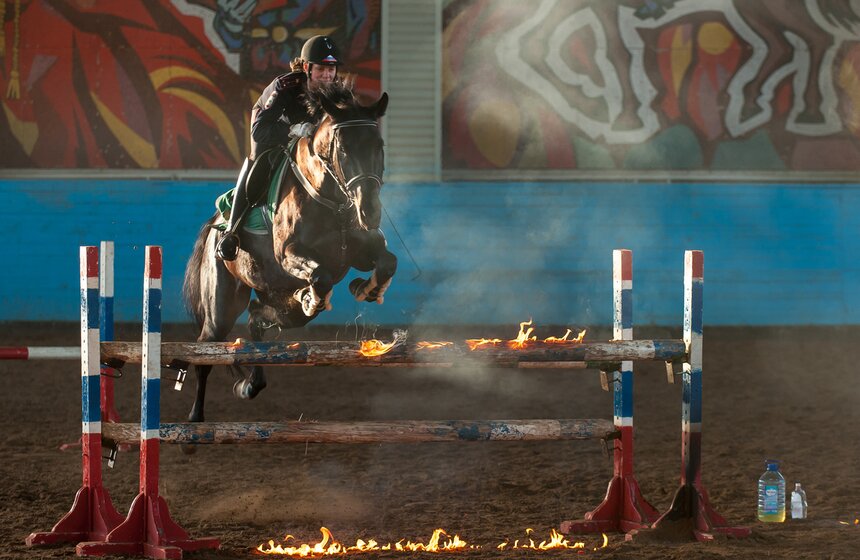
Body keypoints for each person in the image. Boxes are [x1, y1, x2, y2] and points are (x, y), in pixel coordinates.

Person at [216, 34, 342, 261]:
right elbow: (260, 131)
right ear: (306, 68)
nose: (327, 75)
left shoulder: (338, 90)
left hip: (310, 144)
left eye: (331, 69)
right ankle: (232, 231)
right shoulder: (284, 87)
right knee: (260, 161)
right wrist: (292, 131)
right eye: (321, 69)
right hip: (271, 131)